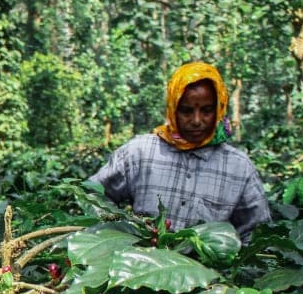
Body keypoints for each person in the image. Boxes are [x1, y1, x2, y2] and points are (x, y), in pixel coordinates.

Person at [90, 61, 270, 241]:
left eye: (206, 111)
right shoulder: (140, 153)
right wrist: (118, 234)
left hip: (206, 269)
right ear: (173, 108)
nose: (197, 120)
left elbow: (256, 234)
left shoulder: (238, 168)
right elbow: (92, 194)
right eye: (186, 111)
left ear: (219, 109)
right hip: (140, 266)